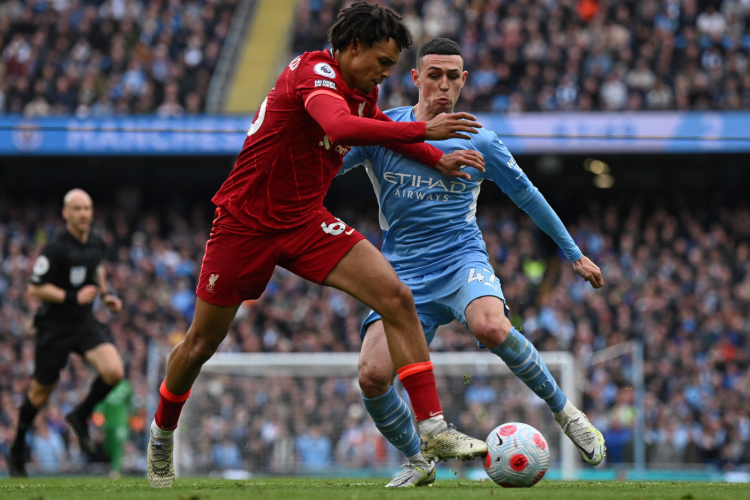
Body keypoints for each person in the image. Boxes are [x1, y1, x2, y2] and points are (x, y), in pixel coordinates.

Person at [146, 3, 489, 488]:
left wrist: (437, 158)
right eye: (381, 62)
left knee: (396, 296)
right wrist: (423, 129)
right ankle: (162, 434)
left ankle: (432, 429)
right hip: (245, 225)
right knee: (201, 344)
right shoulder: (313, 73)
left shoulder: (361, 87)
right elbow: (342, 128)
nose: (385, 74)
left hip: (306, 222)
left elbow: (380, 132)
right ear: (352, 48)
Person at [339, 38, 607, 487]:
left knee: (492, 326)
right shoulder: (384, 130)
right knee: (372, 376)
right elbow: (326, 164)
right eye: (434, 75)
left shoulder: (480, 138)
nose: (443, 85)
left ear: (464, 81)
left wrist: (573, 253)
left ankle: (567, 413)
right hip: (400, 272)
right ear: (415, 79)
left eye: (452, 77)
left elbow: (526, 194)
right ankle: (418, 459)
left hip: (460, 258)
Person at [9, 189, 124, 477]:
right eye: (77, 209)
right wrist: (71, 297)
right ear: (66, 213)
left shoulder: (97, 243)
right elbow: (35, 287)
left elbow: (97, 270)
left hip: (84, 323)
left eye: (87, 208)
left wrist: (107, 295)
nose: (83, 213)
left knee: (114, 372)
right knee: (40, 392)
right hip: (55, 327)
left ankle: (80, 415)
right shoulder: (55, 249)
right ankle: (17, 447)